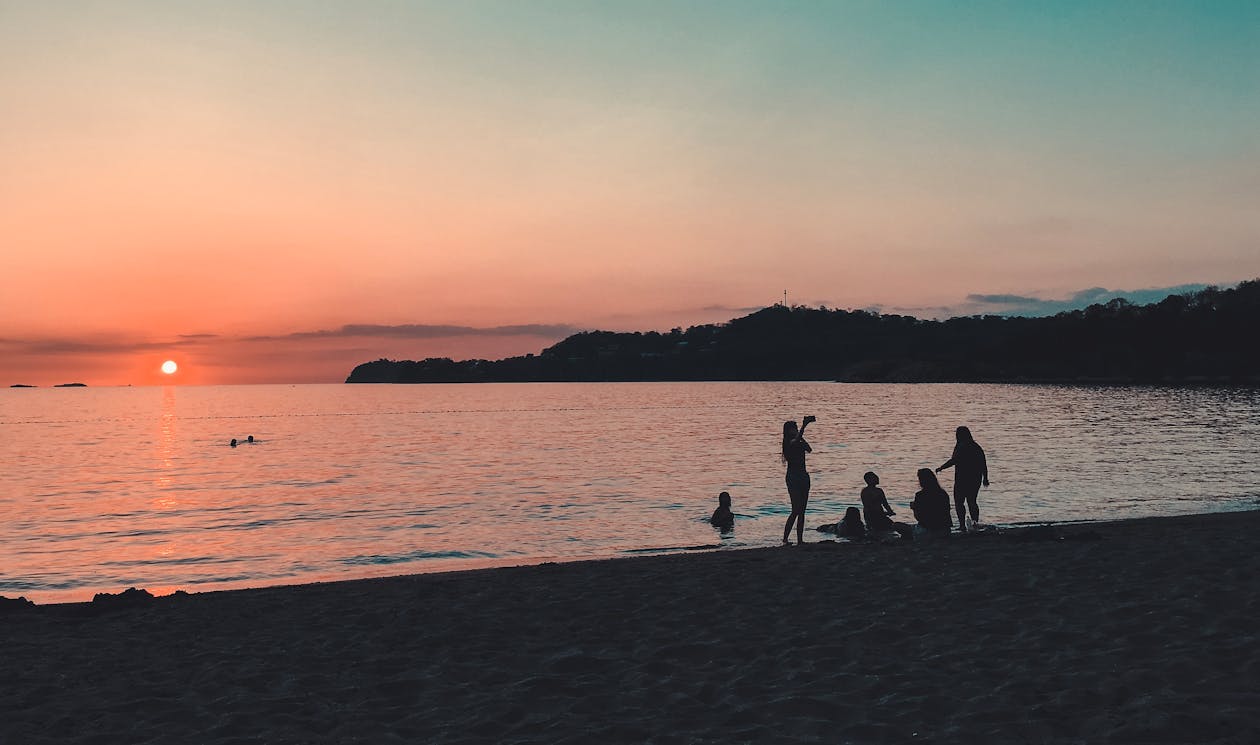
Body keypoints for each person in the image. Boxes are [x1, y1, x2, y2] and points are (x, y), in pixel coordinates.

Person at [936, 426, 990, 532]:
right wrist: (985, 478)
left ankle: (962, 525)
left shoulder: (961, 447)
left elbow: (954, 460)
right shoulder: (976, 446)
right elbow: (983, 463)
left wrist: (941, 467)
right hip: (975, 478)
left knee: (959, 502)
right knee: (972, 501)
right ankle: (974, 523)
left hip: (962, 478)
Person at [781, 415, 816, 545]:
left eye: (796, 428)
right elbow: (794, 442)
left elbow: (809, 449)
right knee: (796, 510)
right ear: (788, 430)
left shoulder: (799, 441)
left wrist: (801, 435)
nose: (795, 430)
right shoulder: (787, 443)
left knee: (802, 511)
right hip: (793, 477)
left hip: (803, 476)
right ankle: (785, 538)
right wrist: (804, 426)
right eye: (793, 428)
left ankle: (800, 540)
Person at [911, 468, 953, 536]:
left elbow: (919, 518)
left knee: (897, 525)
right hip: (945, 529)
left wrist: (914, 508)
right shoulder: (943, 493)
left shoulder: (920, 495)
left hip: (928, 530)